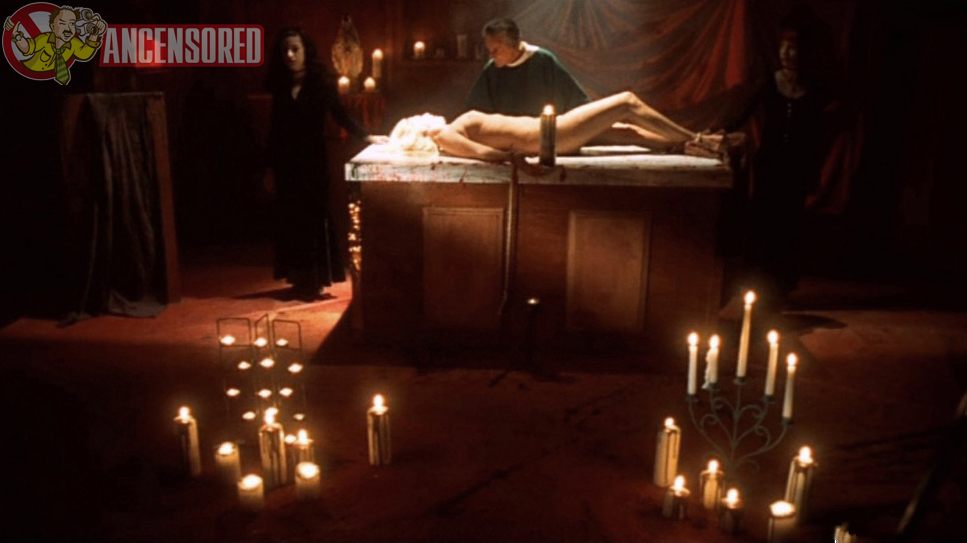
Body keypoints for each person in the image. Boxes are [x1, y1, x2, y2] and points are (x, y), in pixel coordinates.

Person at [264, 27, 382, 301]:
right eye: (285, 50)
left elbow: (340, 115)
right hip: (286, 163)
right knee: (290, 219)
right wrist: (269, 167)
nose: (290, 55)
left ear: (306, 51)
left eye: (295, 49)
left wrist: (366, 135)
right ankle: (298, 278)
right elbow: (275, 130)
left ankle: (316, 278)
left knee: (314, 217)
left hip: (312, 160)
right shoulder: (280, 86)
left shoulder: (320, 83)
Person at [390, 91, 731, 163]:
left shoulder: (452, 128)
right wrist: (516, 160)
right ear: (420, 131)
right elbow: (484, 154)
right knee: (626, 102)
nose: (423, 113)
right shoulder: (443, 134)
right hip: (552, 136)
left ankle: (686, 147)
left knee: (624, 132)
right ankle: (702, 139)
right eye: (415, 118)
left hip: (550, 134)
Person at [466, 17, 589, 116]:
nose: (491, 56)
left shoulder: (543, 61)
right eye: (489, 50)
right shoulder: (491, 70)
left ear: (513, 45)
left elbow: (576, 101)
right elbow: (475, 110)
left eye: (495, 50)